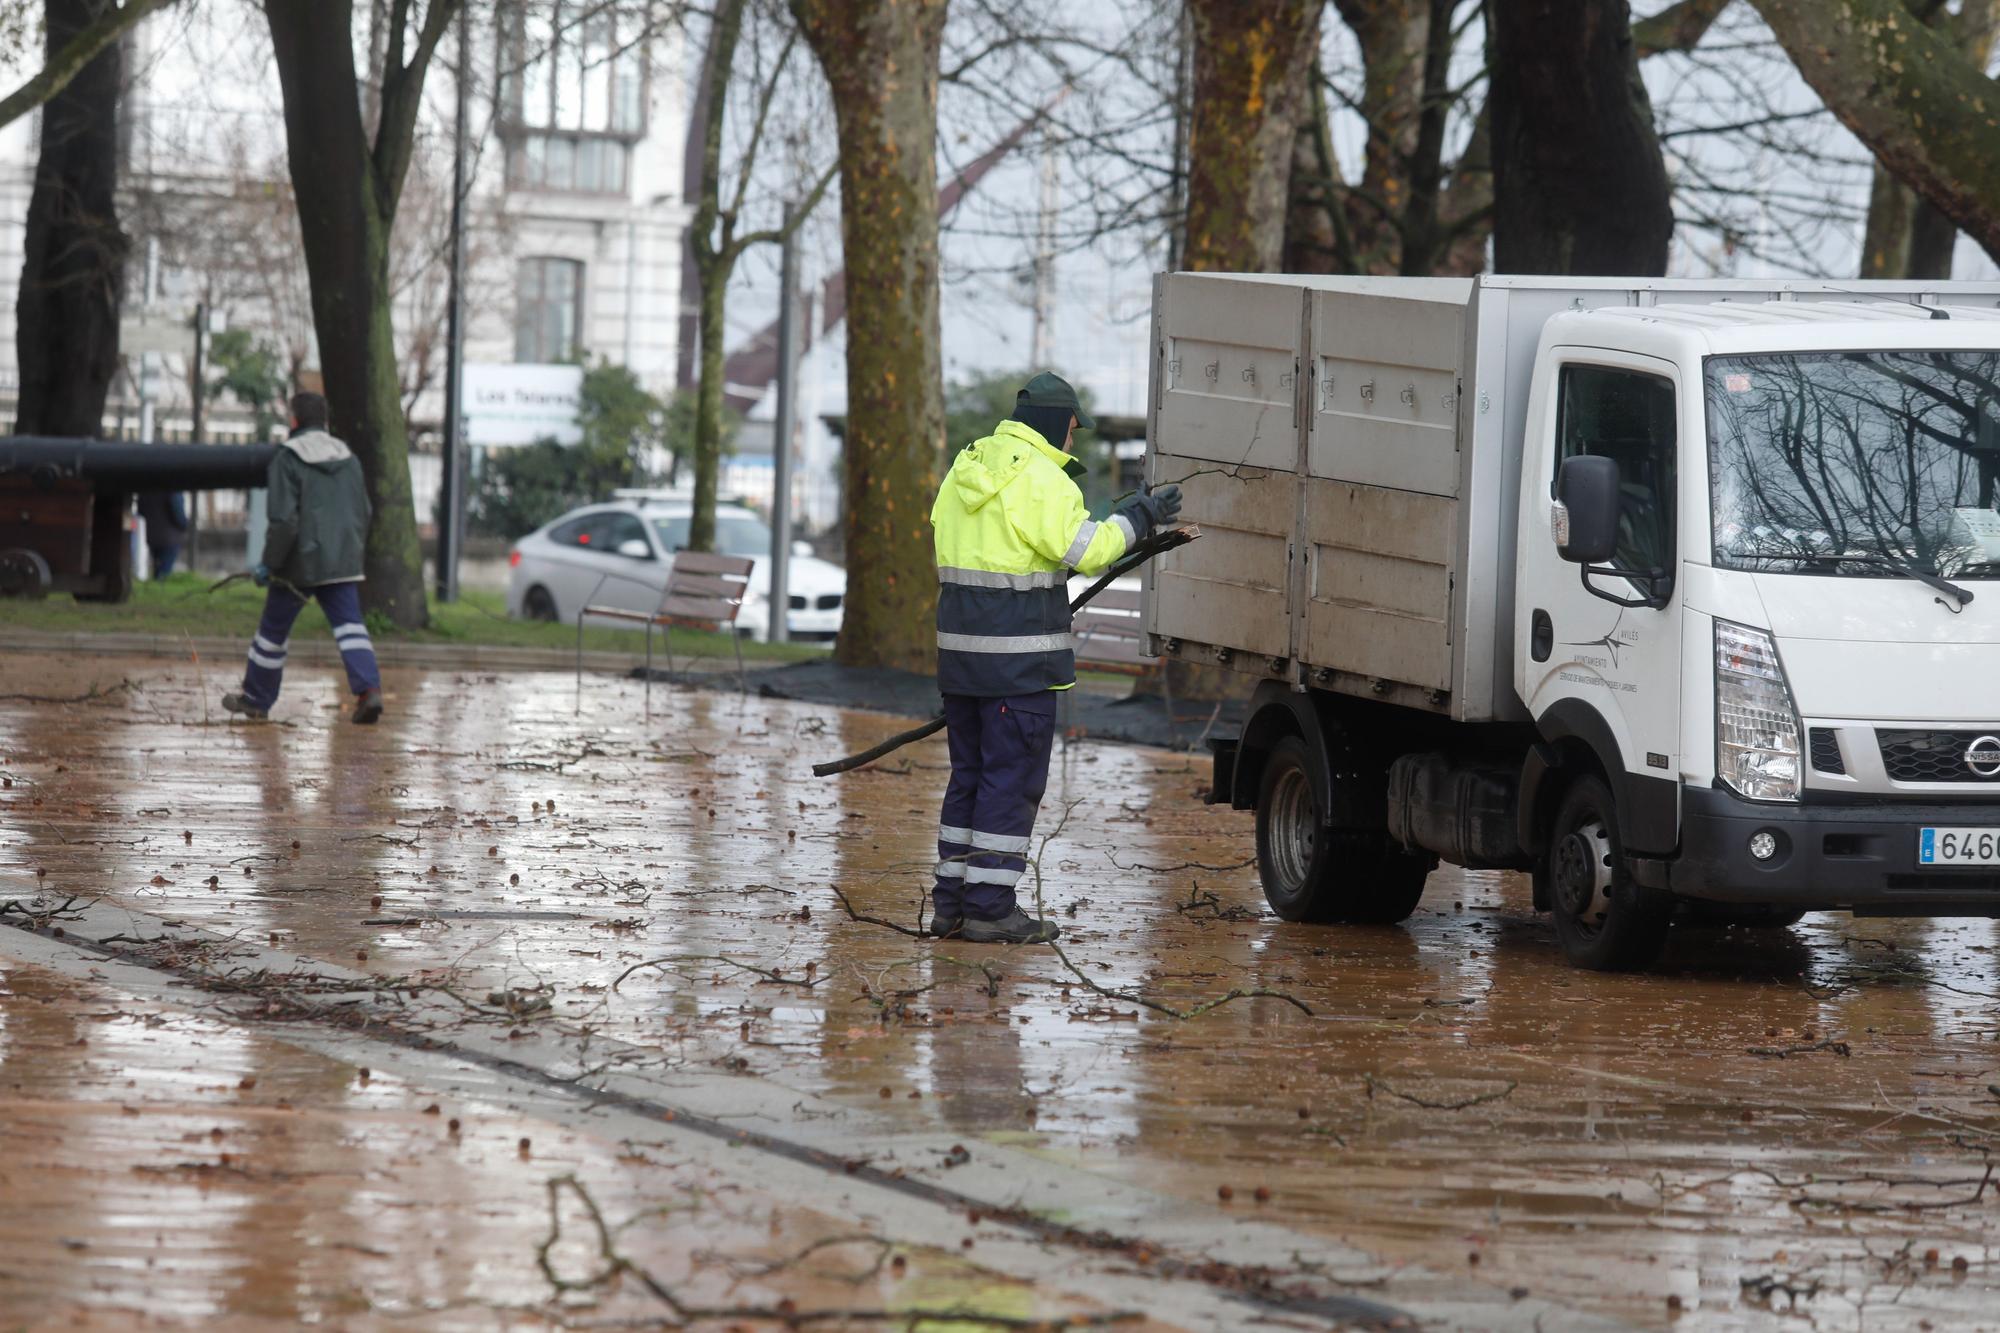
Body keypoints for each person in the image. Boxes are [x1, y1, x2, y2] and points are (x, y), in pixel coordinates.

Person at [928, 372, 1181, 943]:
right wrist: (1140, 518)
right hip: (1019, 670)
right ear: (1056, 423)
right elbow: (1089, 551)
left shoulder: (965, 468)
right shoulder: (1043, 479)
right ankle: (990, 909)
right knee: (1009, 785)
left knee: (968, 780)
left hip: (961, 664)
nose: (1072, 444)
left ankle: (952, 905)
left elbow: (986, 553)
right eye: (1071, 430)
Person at [221, 392, 384, 724]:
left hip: (298, 565)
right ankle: (369, 692)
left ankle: (255, 699)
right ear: (323, 420)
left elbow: (284, 521)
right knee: (351, 628)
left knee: (272, 632)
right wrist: (350, 550)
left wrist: (269, 563)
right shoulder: (348, 458)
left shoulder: (287, 459)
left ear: (294, 421)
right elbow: (364, 510)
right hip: (342, 563)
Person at [136, 491, 189, 578]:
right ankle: (159, 587)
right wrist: (185, 525)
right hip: (170, 537)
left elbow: (140, 510)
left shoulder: (146, 491)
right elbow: (178, 512)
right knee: (164, 572)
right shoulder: (172, 490)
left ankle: (156, 586)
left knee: (158, 568)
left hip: (152, 535)